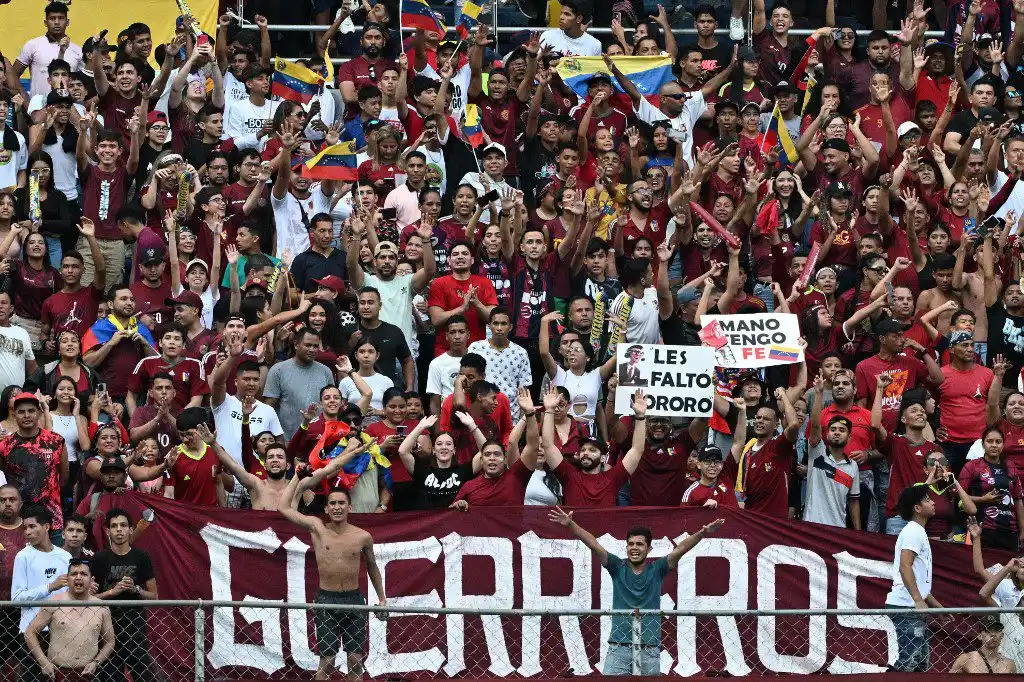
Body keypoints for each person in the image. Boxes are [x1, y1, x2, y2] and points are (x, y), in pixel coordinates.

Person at [549, 507, 723, 675]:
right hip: (619, 645)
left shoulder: (657, 569)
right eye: (630, 544)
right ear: (626, 547)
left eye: (640, 544)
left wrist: (702, 533)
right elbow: (594, 545)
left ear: (649, 549)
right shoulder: (617, 567)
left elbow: (681, 549)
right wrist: (571, 525)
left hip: (649, 646)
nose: (634, 547)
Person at [278, 485, 386, 681]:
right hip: (326, 601)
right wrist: (298, 479)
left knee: (355, 661)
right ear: (326, 508)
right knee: (327, 661)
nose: (337, 507)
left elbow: (372, 567)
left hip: (354, 601)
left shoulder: (362, 536)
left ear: (350, 508)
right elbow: (284, 508)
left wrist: (382, 599)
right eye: (333, 503)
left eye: (342, 503)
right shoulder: (317, 528)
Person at [91, 508, 157, 682]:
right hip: (106, 627)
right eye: (114, 526)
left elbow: (154, 596)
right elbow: (88, 599)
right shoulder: (99, 559)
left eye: (123, 525)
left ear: (130, 529)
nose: (119, 530)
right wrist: (112, 592)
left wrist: (136, 590)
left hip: (135, 626)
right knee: (110, 677)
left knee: (145, 676)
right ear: (107, 531)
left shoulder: (142, 557)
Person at [24, 559, 114, 680]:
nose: (78, 577)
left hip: (88, 674)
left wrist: (96, 663)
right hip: (57, 672)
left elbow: (110, 642)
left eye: (83, 574)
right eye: (73, 574)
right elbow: (30, 632)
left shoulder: (101, 607)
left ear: (91, 579)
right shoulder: (54, 603)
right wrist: (43, 662)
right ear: (67, 579)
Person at [885, 485, 942, 673]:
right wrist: (917, 600)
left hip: (911, 604)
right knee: (909, 661)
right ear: (917, 508)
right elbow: (905, 565)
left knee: (919, 664)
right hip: (906, 605)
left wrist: (938, 608)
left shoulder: (918, 531)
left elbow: (920, 581)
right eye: (927, 500)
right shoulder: (913, 531)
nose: (933, 502)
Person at [0, 392, 68, 539]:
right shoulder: (5, 445)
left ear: (39, 412)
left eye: (31, 411)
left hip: (52, 519)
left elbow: (64, 478)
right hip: (18, 521)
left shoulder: (56, 441)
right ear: (14, 414)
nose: (26, 415)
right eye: (21, 412)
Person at [12, 506, 72, 634]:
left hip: (63, 629)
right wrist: (49, 587)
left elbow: (71, 594)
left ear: (46, 527)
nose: (27, 532)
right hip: (31, 630)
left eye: (32, 526)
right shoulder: (23, 556)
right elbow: (16, 599)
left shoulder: (65, 556)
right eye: (25, 528)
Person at [949, 616, 1017, 674]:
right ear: (980, 636)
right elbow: (950, 679)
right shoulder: (966, 659)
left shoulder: (1009, 664)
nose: (993, 634)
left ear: (1002, 636)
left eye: (996, 630)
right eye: (988, 631)